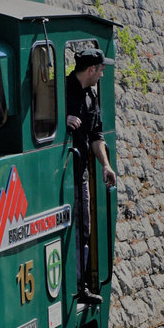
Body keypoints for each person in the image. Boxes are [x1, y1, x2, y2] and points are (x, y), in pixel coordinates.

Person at [66, 47, 117, 304]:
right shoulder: (59, 91)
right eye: (101, 69)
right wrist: (61, 120)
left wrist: (105, 165)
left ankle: (81, 285)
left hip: (81, 172)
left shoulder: (91, 97)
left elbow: (97, 136)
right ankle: (70, 285)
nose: (103, 73)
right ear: (90, 70)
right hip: (60, 173)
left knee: (83, 229)